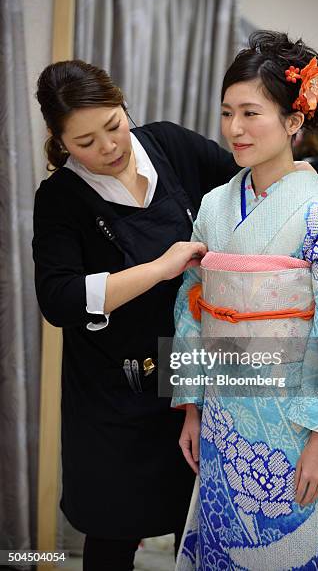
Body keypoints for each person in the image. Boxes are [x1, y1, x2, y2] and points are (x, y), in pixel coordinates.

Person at [171, 31, 318, 570]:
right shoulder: (215, 205)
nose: (235, 129)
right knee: (225, 537)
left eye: (251, 112)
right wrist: (192, 407)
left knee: (289, 545)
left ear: (294, 121)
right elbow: (192, 303)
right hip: (225, 410)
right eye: (227, 113)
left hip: (295, 420)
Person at [32, 59, 239, 571]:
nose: (107, 147)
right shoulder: (60, 199)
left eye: (113, 125)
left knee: (196, 520)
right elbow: (58, 299)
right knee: (111, 533)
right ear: (61, 143)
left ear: (124, 105)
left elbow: (249, 185)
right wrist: (159, 268)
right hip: (111, 392)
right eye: (84, 142)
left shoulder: (169, 146)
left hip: (189, 375)